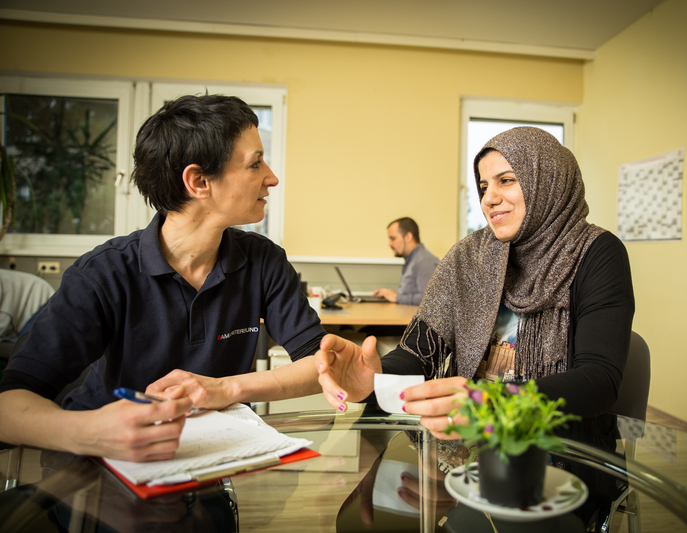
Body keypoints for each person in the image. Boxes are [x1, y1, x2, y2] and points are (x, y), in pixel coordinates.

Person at [0, 95, 326, 461]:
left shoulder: (264, 260)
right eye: (255, 164)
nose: (272, 177)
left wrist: (224, 388)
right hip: (100, 470)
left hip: (213, 464)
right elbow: (8, 408)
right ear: (199, 181)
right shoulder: (103, 273)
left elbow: (321, 364)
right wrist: (89, 433)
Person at [316, 127, 635, 440]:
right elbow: (418, 354)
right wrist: (375, 380)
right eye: (483, 186)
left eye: (506, 180)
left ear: (547, 179)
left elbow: (599, 382)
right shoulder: (468, 257)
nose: (488, 199)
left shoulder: (596, 252)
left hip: (561, 458)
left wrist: (487, 401)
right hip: (466, 453)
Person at [372, 217, 439, 305]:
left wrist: (397, 297)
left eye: (393, 238)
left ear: (408, 237)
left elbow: (431, 299)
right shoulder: (412, 259)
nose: (389, 244)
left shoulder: (425, 261)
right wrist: (389, 294)